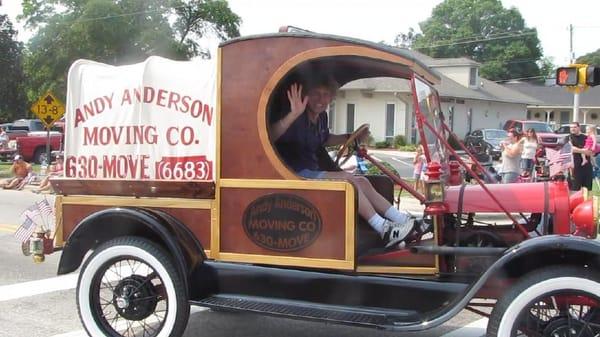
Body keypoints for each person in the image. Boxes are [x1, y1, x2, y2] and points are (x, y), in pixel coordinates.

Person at [271, 79, 418, 248]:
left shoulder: (321, 118)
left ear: (331, 98)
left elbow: (324, 139)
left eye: (326, 95)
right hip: (292, 174)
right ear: (306, 96)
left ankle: (404, 221)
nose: (320, 99)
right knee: (348, 180)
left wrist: (350, 137)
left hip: (312, 171)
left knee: (361, 180)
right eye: (315, 94)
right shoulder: (296, 116)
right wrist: (293, 114)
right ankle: (383, 228)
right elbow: (270, 136)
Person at [570, 122, 594, 191]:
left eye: (574, 127)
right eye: (571, 127)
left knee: (587, 190)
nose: (572, 129)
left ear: (579, 128)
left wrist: (581, 150)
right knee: (574, 189)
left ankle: (586, 202)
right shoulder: (568, 137)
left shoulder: (586, 137)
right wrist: (583, 151)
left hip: (587, 166)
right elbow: (571, 149)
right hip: (575, 167)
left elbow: (591, 151)